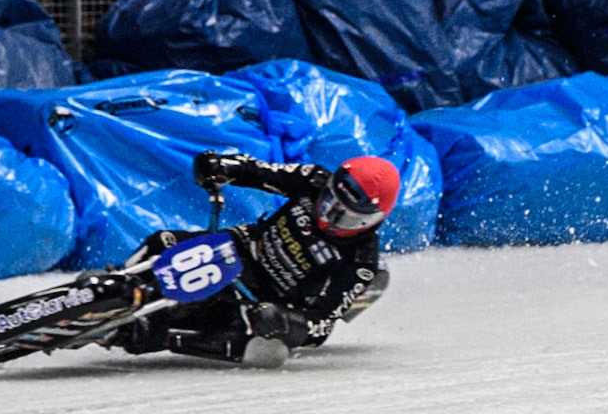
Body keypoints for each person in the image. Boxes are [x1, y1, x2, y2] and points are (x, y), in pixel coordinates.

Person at [109, 152, 400, 367]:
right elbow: (259, 171)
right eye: (328, 201)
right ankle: (120, 278)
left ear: (371, 220)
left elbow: (321, 325)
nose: (328, 216)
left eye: (344, 215)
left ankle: (160, 336)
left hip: (260, 300)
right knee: (163, 241)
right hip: (239, 247)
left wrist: (287, 321)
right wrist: (222, 166)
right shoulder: (312, 179)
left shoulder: (361, 261)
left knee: (263, 350)